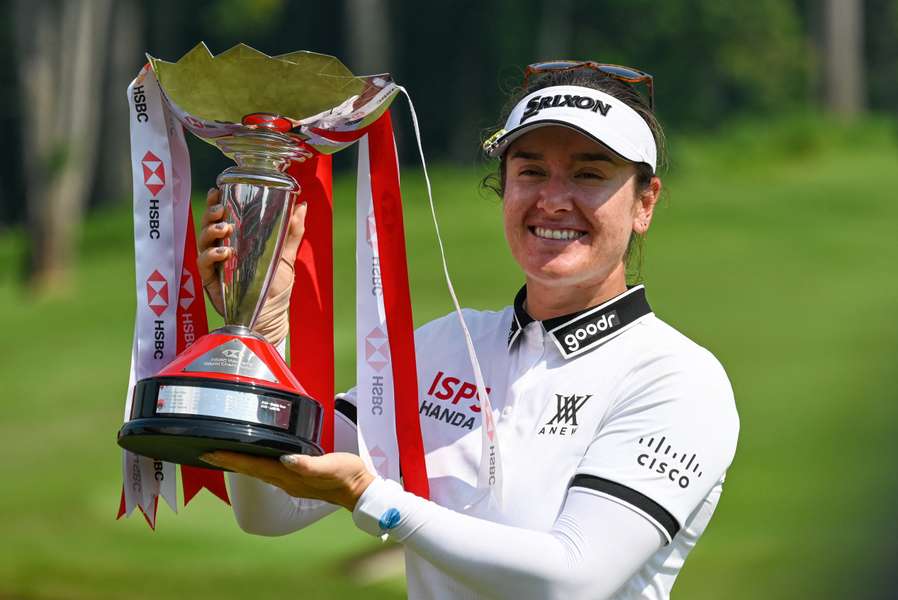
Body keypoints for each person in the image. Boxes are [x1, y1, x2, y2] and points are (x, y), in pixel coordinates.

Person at [197, 61, 740, 600]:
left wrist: (373, 497)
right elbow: (269, 509)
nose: (552, 199)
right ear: (503, 187)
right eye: (530, 171)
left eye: (588, 174)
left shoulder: (678, 379)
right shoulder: (445, 346)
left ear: (645, 202)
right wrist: (260, 326)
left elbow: (571, 580)